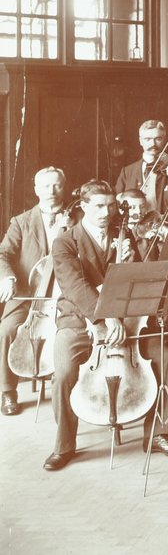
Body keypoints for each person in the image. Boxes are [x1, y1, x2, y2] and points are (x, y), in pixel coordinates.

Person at [46, 179, 168, 471]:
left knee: (164, 357)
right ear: (83, 207)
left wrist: (129, 262)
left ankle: (158, 434)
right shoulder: (65, 242)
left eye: (110, 205)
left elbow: (135, 281)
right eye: (98, 206)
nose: (106, 212)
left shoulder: (124, 236)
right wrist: (106, 318)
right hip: (78, 319)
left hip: (125, 319)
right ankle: (64, 445)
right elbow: (76, 286)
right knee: (63, 372)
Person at [0, 166, 71, 416]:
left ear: (64, 186)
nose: (52, 191)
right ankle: (8, 391)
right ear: (36, 190)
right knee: (7, 330)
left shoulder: (78, 218)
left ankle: (66, 389)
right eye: (46, 186)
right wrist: (7, 277)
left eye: (57, 185)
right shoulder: (21, 221)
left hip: (63, 295)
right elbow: (3, 254)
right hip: (28, 296)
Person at [115, 119, 168, 215]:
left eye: (158, 139)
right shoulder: (127, 171)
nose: (153, 144)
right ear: (140, 141)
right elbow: (118, 202)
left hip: (163, 224)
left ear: (165, 140)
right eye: (148, 139)